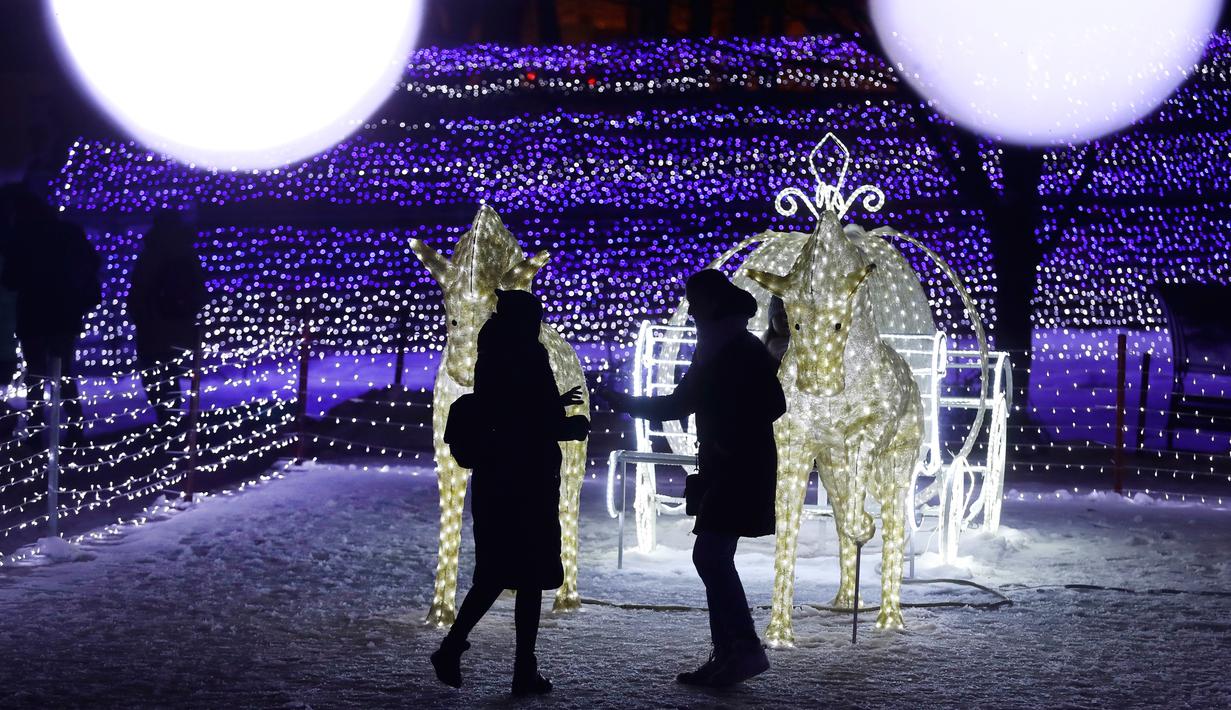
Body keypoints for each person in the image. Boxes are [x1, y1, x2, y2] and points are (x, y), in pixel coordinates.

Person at [603, 269, 786, 687]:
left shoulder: (735, 348)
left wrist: (730, 436)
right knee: (713, 556)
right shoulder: (719, 346)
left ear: (715, 303)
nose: (692, 309)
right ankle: (731, 653)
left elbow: (772, 402)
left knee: (711, 556)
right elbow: (683, 402)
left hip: (739, 466)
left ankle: (741, 649)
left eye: (697, 301)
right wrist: (630, 403)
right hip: (729, 465)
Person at [431, 289, 589, 696]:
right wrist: (566, 426)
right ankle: (519, 666)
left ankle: (459, 647)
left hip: (496, 480)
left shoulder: (494, 350)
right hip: (528, 479)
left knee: (493, 573)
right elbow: (527, 420)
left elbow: (508, 409)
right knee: (528, 576)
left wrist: (555, 406)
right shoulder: (528, 353)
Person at [0, 184, 101, 444]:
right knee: (63, 371)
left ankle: (35, 430)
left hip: (35, 314)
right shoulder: (68, 232)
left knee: (36, 373)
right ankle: (75, 426)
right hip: (65, 313)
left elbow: (11, 279)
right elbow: (92, 262)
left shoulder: (21, 237)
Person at [127, 211, 208, 426]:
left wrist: (139, 315)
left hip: (152, 324)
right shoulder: (188, 252)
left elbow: (139, 288)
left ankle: (164, 416)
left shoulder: (152, 252)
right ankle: (172, 416)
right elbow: (200, 291)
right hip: (179, 325)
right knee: (171, 371)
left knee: (152, 372)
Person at [761, 295, 790, 364]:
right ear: (772, 320)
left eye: (789, 315)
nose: (785, 319)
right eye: (780, 315)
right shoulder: (774, 348)